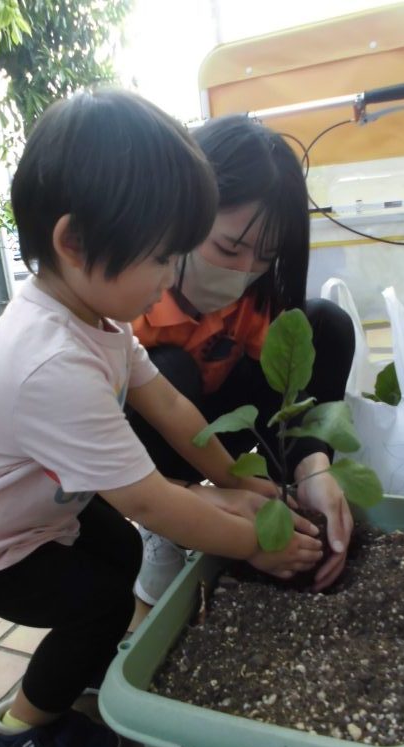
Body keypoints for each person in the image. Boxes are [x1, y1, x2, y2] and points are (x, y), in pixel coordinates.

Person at [0, 91, 323, 747]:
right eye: (161, 257)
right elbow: (153, 502)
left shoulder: (96, 320)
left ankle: (81, 663)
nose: (169, 278)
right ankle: (23, 729)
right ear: (73, 242)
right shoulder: (49, 360)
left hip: (30, 509)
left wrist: (239, 481)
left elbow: (172, 407)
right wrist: (256, 542)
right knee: (94, 605)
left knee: (119, 551)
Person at [131, 114, 356, 604]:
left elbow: (291, 392)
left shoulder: (256, 299)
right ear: (181, 214)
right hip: (148, 452)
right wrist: (199, 504)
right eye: (229, 247)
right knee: (167, 371)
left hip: (218, 427)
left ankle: (287, 495)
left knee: (325, 325)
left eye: (265, 256)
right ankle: (165, 523)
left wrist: (312, 464)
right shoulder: (131, 303)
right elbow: (95, 455)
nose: (244, 271)